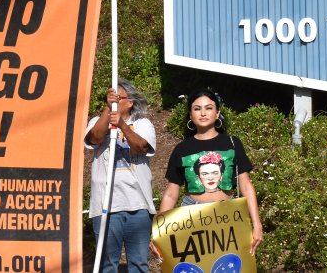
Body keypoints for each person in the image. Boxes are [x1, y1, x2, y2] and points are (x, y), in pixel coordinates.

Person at [158, 89, 263, 255]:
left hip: (228, 214)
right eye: (197, 108)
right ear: (190, 115)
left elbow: (246, 185)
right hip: (191, 216)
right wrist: (158, 232)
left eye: (208, 108)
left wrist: (256, 224)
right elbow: (171, 193)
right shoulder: (182, 149)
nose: (203, 113)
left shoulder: (232, 143)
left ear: (217, 113)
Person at [85, 79, 156, 273]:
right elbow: (95, 138)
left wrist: (122, 125)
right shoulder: (96, 121)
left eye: (119, 98)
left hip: (138, 204)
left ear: (130, 102)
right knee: (107, 265)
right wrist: (109, 111)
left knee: (139, 264)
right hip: (105, 205)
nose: (114, 101)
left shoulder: (143, 124)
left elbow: (142, 147)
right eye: (111, 98)